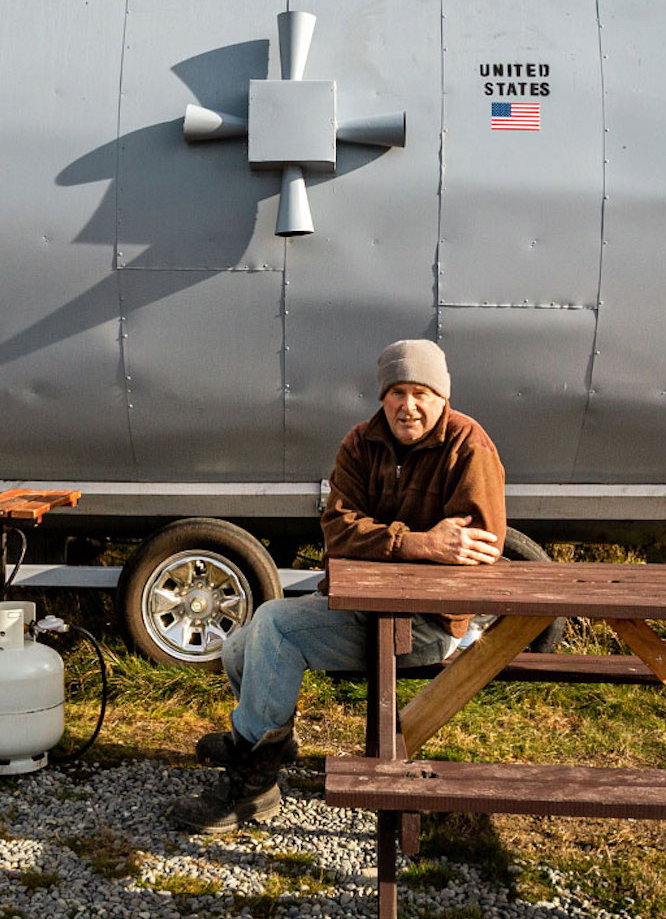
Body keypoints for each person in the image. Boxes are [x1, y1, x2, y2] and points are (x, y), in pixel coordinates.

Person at [170, 338, 506, 833]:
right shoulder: (360, 443)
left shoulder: (469, 448)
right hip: (360, 610)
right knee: (239, 648)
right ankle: (270, 741)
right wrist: (418, 544)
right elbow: (337, 530)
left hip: (426, 626)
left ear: (442, 395)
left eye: (421, 392)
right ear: (381, 396)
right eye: (396, 392)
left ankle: (251, 782)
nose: (407, 406)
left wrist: (390, 548)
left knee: (275, 625)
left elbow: (472, 553)